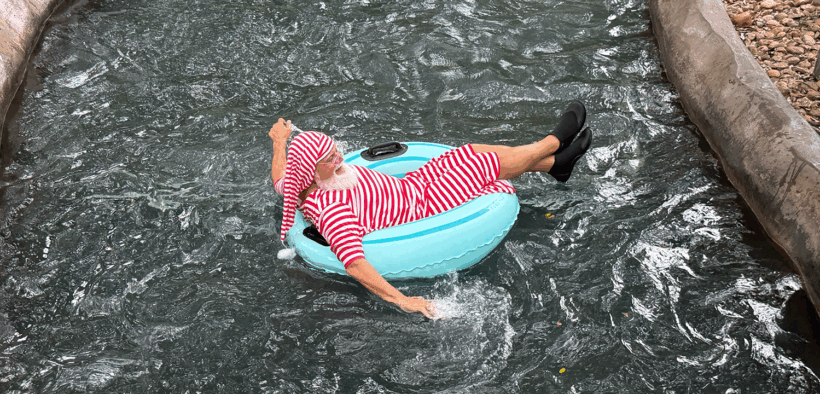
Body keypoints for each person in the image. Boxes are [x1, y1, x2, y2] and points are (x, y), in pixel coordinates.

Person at [269, 102, 592, 318]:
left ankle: (556, 165)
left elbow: (280, 178)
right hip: (424, 204)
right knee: (483, 163)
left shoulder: (300, 181)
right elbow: (354, 263)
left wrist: (279, 141)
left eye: (336, 150)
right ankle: (552, 144)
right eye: (331, 159)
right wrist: (402, 300)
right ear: (313, 171)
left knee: (471, 151)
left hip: (413, 184)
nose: (340, 158)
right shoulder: (331, 209)